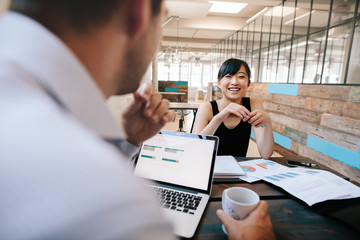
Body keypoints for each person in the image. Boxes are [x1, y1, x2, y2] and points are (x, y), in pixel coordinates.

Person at [0, 1, 274, 239]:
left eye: (241, 76)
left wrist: (129, 142)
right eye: (162, 16)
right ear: (138, 10)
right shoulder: (117, 206)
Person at [192, 58, 274, 159]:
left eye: (241, 76)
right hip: (208, 169)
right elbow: (194, 148)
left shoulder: (253, 104)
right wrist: (219, 118)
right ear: (219, 83)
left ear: (248, 83)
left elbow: (265, 154)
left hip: (238, 170)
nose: (234, 82)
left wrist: (268, 124)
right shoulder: (207, 107)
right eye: (228, 76)